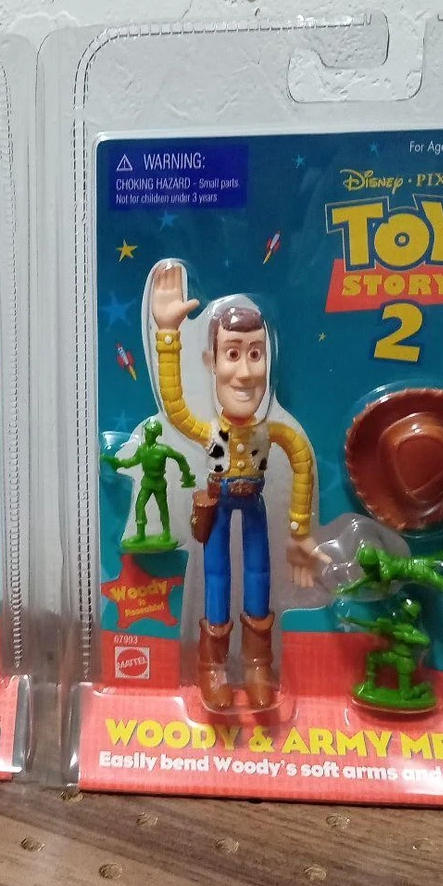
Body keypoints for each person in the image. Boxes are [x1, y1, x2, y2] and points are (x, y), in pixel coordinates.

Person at [150, 263, 325, 709]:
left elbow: (302, 460)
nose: (246, 373)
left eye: (255, 354)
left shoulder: (271, 432)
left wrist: (300, 532)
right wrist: (167, 333)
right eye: (232, 354)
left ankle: (257, 665)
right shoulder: (211, 432)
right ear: (211, 363)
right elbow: (174, 406)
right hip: (219, 505)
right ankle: (212, 667)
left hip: (255, 509)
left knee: (259, 578)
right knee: (216, 580)